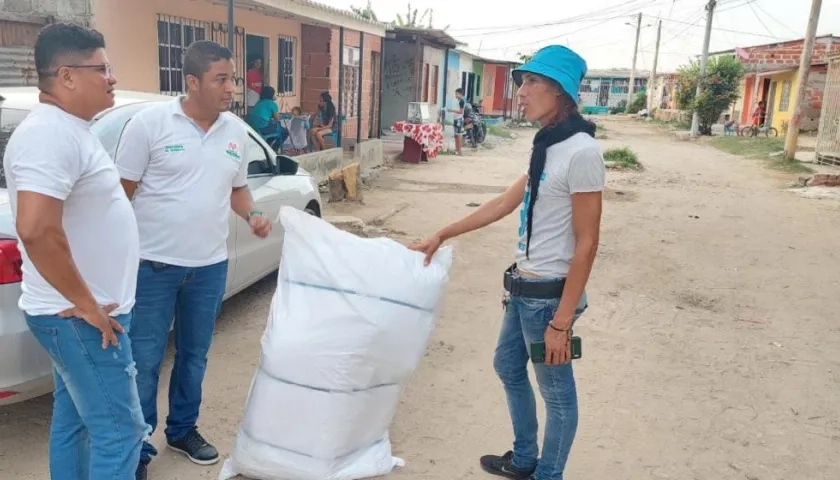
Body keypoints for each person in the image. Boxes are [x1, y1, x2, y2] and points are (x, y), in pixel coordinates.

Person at [410, 45, 604, 480]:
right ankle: (524, 457)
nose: (521, 91)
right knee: (507, 365)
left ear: (561, 92)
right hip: (523, 289)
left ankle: (546, 474)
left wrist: (562, 322)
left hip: (549, 299)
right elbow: (502, 203)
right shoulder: (547, 146)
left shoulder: (581, 152)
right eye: (522, 81)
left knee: (557, 395)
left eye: (532, 82)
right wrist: (442, 233)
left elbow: (588, 242)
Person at [114, 40, 272, 480]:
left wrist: (254, 213)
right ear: (192, 82)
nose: (231, 88)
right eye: (221, 79)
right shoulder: (149, 125)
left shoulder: (235, 131)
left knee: (194, 355)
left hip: (208, 267)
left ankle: (182, 430)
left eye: (233, 79)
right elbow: (119, 196)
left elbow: (237, 188)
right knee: (144, 360)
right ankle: (139, 444)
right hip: (151, 267)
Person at [2, 23, 148, 478]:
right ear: (66, 76)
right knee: (121, 433)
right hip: (84, 318)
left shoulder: (71, 129)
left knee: (77, 425)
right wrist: (87, 305)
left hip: (83, 314)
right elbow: (35, 229)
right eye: (102, 69)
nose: (112, 78)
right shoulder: (49, 135)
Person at [249, 85, 288, 151]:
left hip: (254, 127)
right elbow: (277, 119)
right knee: (285, 132)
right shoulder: (272, 103)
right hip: (263, 128)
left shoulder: (258, 102)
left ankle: (267, 148)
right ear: (271, 95)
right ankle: (274, 149)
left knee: (272, 131)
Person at [447, 88, 466, 155]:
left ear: (460, 94)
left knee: (459, 135)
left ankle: (460, 151)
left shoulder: (461, 101)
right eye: (455, 93)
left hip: (459, 120)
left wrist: (451, 110)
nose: (456, 95)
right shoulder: (457, 101)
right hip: (455, 119)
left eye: (457, 94)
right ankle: (456, 149)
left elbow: (461, 111)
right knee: (456, 135)